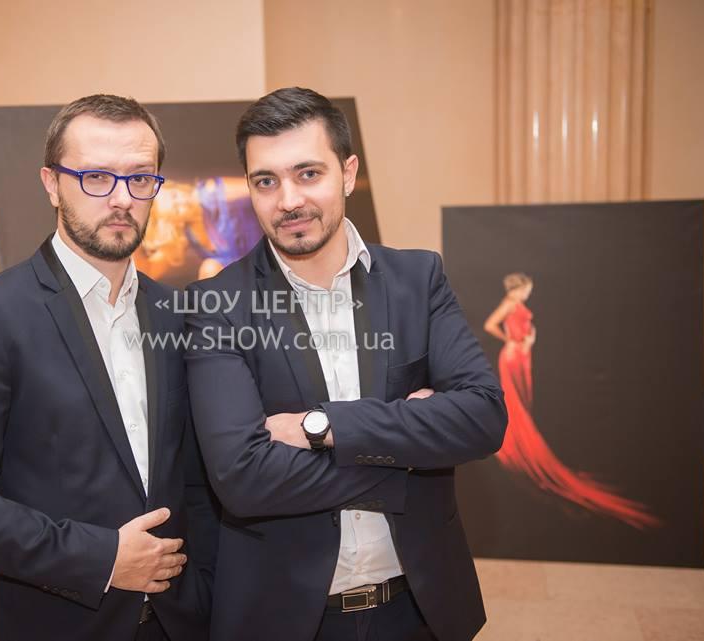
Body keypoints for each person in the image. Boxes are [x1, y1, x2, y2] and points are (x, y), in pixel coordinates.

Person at [184, 87, 507, 641]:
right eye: (266, 181)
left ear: (348, 173)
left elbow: (482, 417)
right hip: (285, 617)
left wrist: (324, 427)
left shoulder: (417, 279)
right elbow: (243, 479)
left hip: (419, 607)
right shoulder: (216, 304)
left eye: (308, 174)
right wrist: (407, 453)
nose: (288, 200)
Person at [0, 94, 217, 641]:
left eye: (139, 178)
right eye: (96, 177)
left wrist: (207, 591)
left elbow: (196, 477)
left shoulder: (178, 312)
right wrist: (102, 558)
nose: (121, 198)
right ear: (51, 183)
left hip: (179, 623)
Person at [484, 273, 658, 528]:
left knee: (522, 402)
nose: (529, 293)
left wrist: (526, 342)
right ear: (519, 288)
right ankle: (515, 442)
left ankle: (519, 436)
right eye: (527, 289)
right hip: (513, 356)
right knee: (516, 403)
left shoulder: (517, 303)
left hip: (521, 355)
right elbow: (490, 325)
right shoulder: (510, 302)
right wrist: (512, 340)